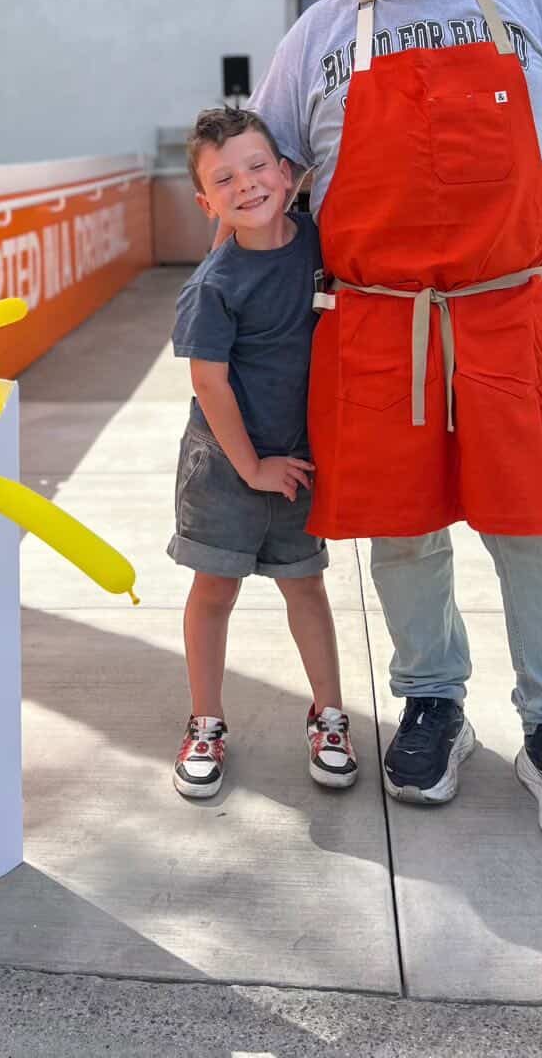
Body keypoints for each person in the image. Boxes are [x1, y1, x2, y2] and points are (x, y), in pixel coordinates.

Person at [249, 0, 542, 848]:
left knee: (537, 531)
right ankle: (432, 704)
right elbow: (271, 170)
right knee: (405, 534)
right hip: (379, 327)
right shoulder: (320, 34)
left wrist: (539, 214)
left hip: (508, 314)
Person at [168, 107, 357, 800]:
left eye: (256, 168)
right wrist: (251, 468)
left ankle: (330, 717)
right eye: (224, 179)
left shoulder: (319, 242)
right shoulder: (214, 286)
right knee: (213, 592)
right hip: (226, 467)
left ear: (287, 173)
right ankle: (206, 723)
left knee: (305, 585)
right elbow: (207, 381)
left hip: (300, 462)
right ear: (206, 202)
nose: (245, 185)